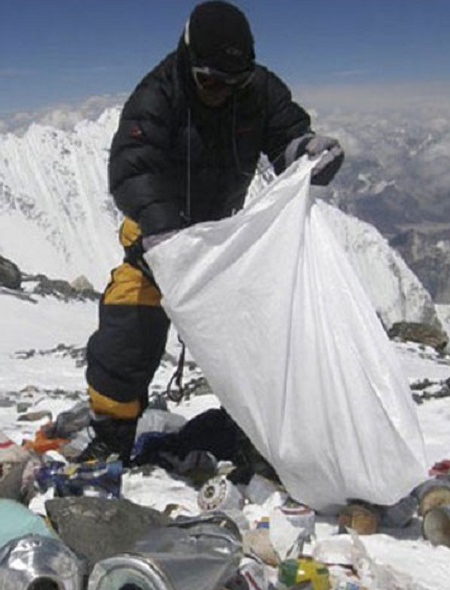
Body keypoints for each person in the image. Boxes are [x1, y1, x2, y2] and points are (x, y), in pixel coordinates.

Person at [80, 1, 344, 463]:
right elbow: (131, 168)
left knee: (261, 336)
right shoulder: (157, 95)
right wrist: (164, 233)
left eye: (233, 82)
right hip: (156, 246)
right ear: (187, 59)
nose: (220, 91)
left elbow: (286, 135)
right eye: (209, 80)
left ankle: (258, 436)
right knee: (128, 331)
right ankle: (111, 436)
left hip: (223, 244)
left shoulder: (259, 90)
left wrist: (305, 152)